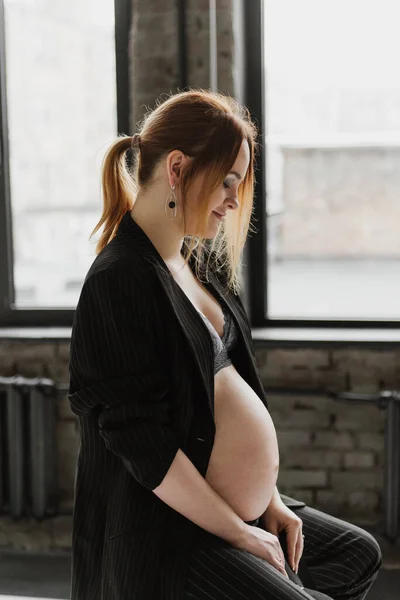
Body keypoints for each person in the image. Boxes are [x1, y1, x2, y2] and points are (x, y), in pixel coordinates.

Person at [68, 89, 382, 600]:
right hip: (167, 531)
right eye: (228, 182)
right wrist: (240, 533)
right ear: (177, 169)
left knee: (355, 554)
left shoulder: (198, 267)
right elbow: (142, 443)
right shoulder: (119, 279)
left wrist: (271, 500)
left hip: (234, 508)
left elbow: (227, 399)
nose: (235, 201)